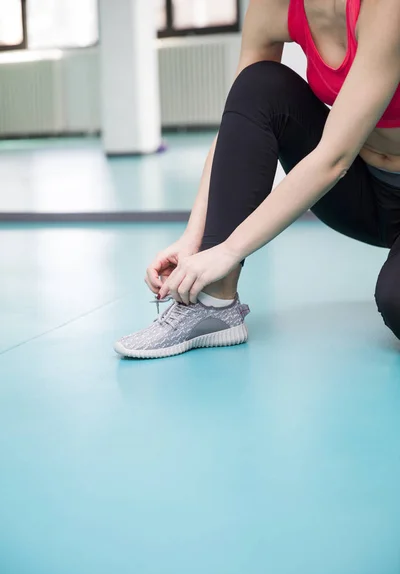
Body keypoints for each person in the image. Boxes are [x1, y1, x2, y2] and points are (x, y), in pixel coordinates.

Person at [114, 0, 400, 359]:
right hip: (367, 192)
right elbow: (239, 121)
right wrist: (195, 238)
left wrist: (230, 249)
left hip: (342, 162)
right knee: (259, 84)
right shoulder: (273, 7)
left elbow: (334, 157)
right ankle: (213, 307)